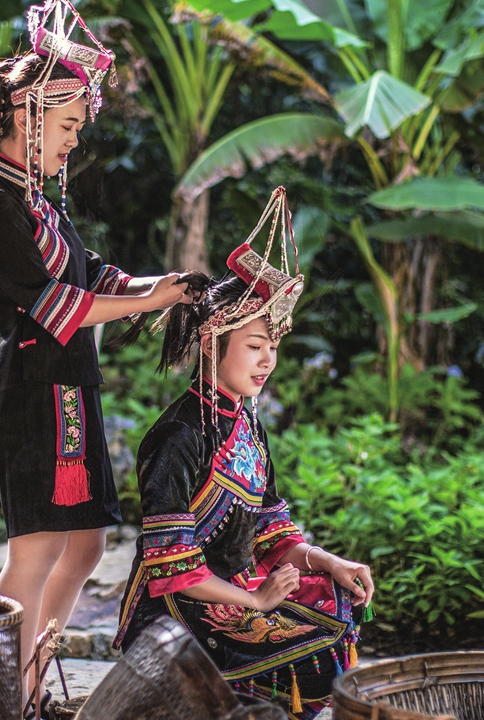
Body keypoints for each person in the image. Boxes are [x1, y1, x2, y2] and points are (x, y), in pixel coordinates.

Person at [0, 0, 192, 704]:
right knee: (34, 552)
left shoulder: (36, 200)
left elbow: (94, 275)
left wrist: (169, 286)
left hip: (71, 388)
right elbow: (62, 308)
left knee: (85, 547)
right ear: (23, 120)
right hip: (34, 389)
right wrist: (152, 303)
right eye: (64, 128)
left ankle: (28, 684)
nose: (71, 144)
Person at [114, 188, 374, 719]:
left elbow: (273, 532)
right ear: (213, 344)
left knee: (338, 605)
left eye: (273, 347)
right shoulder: (177, 437)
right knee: (316, 656)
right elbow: (173, 569)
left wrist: (329, 562)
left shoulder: (248, 423)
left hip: (234, 589)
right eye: (255, 347)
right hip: (175, 610)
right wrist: (256, 602)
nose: (268, 361)